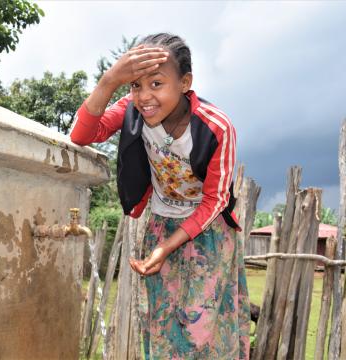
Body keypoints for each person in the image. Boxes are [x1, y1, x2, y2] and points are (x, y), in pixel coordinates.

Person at [70, 33, 250, 359]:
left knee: (200, 330)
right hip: (161, 224)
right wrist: (110, 80)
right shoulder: (132, 110)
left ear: (185, 83)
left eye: (156, 84)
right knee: (162, 320)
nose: (144, 96)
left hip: (207, 233)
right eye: (135, 85)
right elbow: (83, 134)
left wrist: (167, 247)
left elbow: (215, 200)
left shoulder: (216, 127)